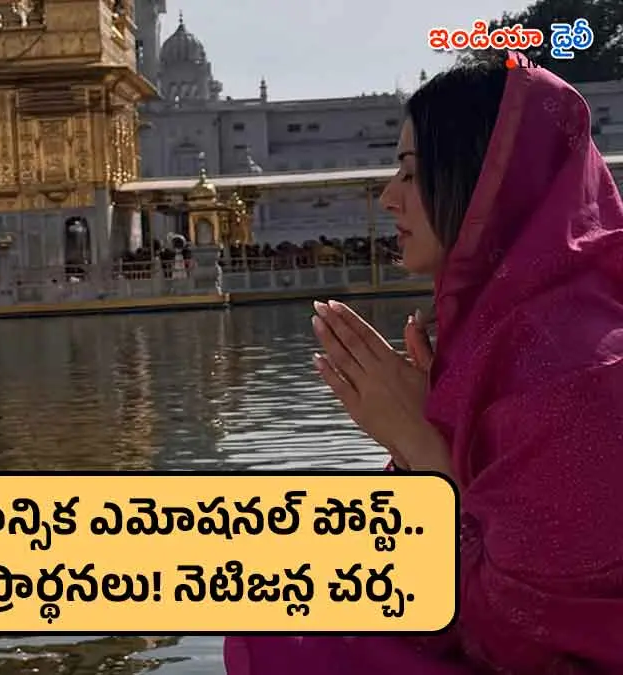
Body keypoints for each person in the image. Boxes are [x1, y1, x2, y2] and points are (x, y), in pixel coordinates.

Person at [225, 52, 623, 674]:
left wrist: (420, 441)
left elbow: (527, 640)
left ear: (487, 179)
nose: (388, 198)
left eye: (412, 174)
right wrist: (417, 443)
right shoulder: (493, 336)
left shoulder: (579, 368)